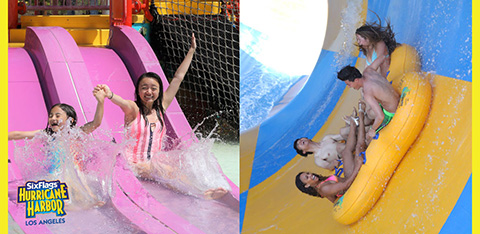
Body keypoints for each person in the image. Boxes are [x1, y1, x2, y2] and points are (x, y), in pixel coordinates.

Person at [98, 33, 230, 200]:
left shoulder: (161, 109)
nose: (149, 91)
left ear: (159, 91)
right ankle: (201, 194)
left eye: (153, 88)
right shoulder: (133, 109)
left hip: (152, 163)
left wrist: (191, 51)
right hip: (134, 166)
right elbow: (121, 101)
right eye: (144, 87)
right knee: (166, 171)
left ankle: (205, 187)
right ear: (138, 91)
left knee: (183, 164)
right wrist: (109, 94)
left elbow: (178, 78)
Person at [295, 102, 366, 203]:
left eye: (308, 173)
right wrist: (358, 165)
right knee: (350, 150)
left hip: (348, 175)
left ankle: (354, 124)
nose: (310, 175)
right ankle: (360, 117)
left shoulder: (321, 185)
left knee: (346, 145)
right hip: (351, 182)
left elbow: (333, 198)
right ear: (307, 185)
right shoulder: (323, 186)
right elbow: (345, 185)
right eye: (307, 177)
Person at [337, 53, 399, 144]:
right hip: (394, 99)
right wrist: (384, 75)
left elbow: (380, 116)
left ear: (356, 80)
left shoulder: (367, 93)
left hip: (391, 112)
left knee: (368, 137)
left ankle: (362, 127)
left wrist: (372, 130)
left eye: (349, 84)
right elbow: (383, 57)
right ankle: (358, 121)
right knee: (370, 112)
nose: (349, 87)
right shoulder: (368, 70)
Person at [293, 102, 369, 171]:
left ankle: (362, 124)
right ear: (304, 151)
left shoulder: (326, 139)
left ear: (306, 138)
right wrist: (333, 164)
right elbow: (329, 167)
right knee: (339, 147)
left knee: (343, 131)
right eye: (298, 144)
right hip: (346, 154)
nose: (300, 141)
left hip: (350, 144)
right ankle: (363, 123)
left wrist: (347, 124)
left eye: (300, 139)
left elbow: (344, 136)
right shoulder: (318, 158)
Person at [8, 89, 107, 140]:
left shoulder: (77, 133)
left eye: (57, 116)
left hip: (75, 174)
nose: (52, 118)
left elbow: (96, 123)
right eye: (51, 116)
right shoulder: (47, 134)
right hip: (54, 174)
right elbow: (18, 134)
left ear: (70, 120)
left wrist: (100, 102)